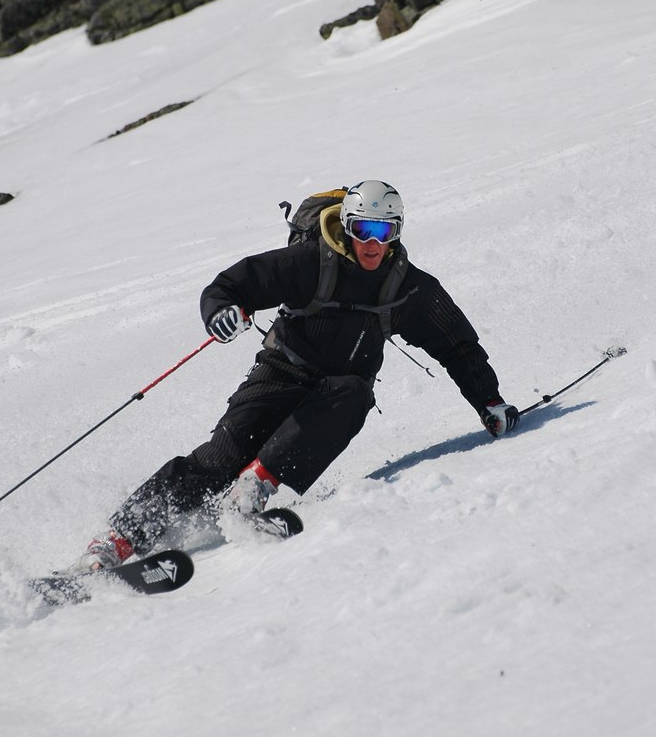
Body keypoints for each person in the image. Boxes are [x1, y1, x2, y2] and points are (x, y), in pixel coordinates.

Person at [70, 180, 519, 572]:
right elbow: (231, 284)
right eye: (362, 228)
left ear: (397, 233)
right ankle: (114, 542)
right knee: (217, 459)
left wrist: (489, 401)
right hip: (280, 372)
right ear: (347, 225)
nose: (371, 242)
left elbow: (456, 345)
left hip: (336, 395)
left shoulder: (408, 289)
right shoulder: (310, 262)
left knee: (353, 394)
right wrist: (221, 312)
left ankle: (250, 493)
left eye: (383, 232)